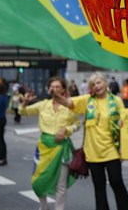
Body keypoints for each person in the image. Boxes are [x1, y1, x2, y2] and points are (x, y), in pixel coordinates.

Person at [53, 72, 128, 210]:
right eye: (93, 84)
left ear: (105, 83)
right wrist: (55, 95)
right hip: (92, 153)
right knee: (99, 188)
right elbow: (68, 102)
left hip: (112, 150)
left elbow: (126, 123)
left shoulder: (116, 101)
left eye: (99, 82)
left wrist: (123, 131)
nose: (96, 86)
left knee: (116, 182)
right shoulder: (87, 100)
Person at [19, 77, 80, 210]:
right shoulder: (43, 105)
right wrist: (25, 102)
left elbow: (77, 124)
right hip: (44, 148)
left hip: (61, 148)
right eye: (52, 86)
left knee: (60, 185)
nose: (55, 89)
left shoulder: (70, 106)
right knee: (38, 181)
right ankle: (43, 206)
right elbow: (23, 112)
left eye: (58, 86)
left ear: (63, 89)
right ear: (48, 89)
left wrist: (67, 129)